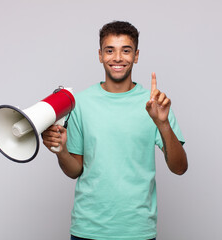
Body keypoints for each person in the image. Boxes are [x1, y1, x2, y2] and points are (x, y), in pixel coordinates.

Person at [42, 21, 188, 240]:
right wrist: (61, 151)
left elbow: (179, 168)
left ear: (136, 56)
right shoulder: (81, 103)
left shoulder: (155, 104)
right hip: (87, 229)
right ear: (100, 55)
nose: (118, 58)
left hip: (137, 231)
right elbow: (75, 171)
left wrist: (163, 124)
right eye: (110, 50)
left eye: (126, 50)